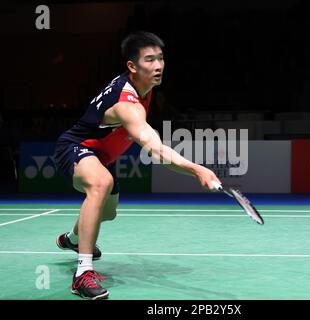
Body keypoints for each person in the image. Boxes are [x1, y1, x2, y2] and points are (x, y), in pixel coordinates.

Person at [53, 31, 221, 300]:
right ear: (132, 66)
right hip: (74, 149)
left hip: (98, 157)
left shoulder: (145, 89)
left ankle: (71, 239)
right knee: (101, 183)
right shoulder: (127, 104)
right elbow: (155, 148)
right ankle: (83, 274)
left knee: (107, 214)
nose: (157, 66)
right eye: (150, 60)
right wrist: (197, 168)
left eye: (161, 59)